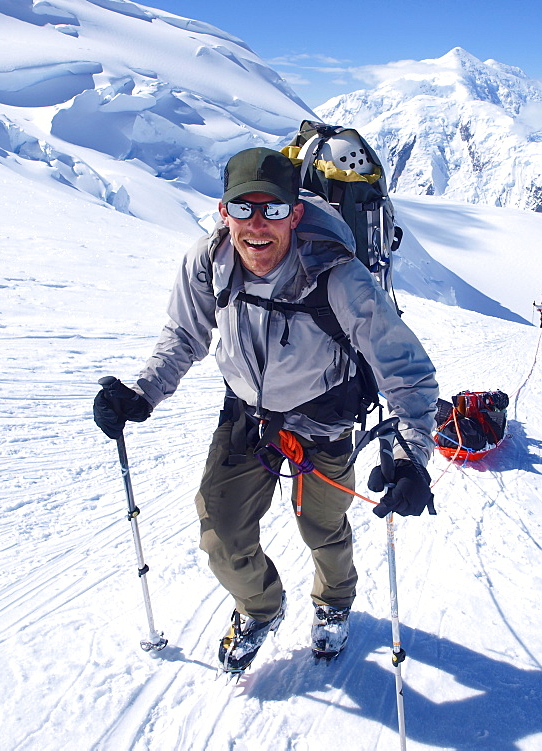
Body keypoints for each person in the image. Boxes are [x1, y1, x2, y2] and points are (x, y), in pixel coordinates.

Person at [93, 147, 439, 673]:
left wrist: (415, 456)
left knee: (321, 528)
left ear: (294, 212)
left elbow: (407, 372)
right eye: (243, 209)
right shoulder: (207, 261)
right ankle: (261, 607)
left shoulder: (339, 278)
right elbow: (186, 334)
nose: (257, 225)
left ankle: (334, 603)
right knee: (220, 534)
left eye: (273, 210)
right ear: (222, 210)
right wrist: (142, 392)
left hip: (324, 421)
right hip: (247, 416)